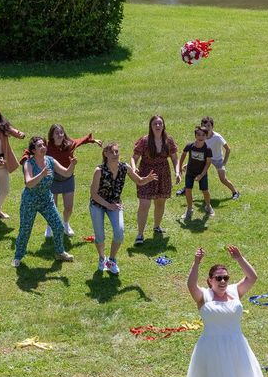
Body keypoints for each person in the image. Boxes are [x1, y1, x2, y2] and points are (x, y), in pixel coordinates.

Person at [184, 245, 268, 377]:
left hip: (237, 346)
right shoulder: (203, 295)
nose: (222, 281)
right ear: (209, 281)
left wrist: (240, 258)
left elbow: (252, 278)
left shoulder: (235, 291)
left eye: (225, 277)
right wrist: (196, 262)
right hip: (211, 347)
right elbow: (190, 285)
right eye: (218, 278)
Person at [89, 142, 157, 274]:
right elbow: (93, 194)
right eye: (112, 152)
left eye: (116, 151)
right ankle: (102, 258)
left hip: (115, 204)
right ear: (105, 154)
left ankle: (112, 260)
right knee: (100, 236)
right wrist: (108, 205)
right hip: (98, 204)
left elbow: (139, 181)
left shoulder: (124, 167)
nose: (115, 154)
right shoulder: (99, 171)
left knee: (119, 233)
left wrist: (147, 179)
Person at [13, 137, 76, 267]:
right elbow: (29, 183)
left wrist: (72, 165)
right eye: (39, 146)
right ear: (33, 150)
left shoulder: (50, 161)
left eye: (43, 145)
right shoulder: (28, 164)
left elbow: (66, 173)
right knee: (25, 230)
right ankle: (18, 256)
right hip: (30, 200)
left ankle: (59, 252)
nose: (43, 147)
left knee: (58, 226)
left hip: (46, 199)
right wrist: (41, 174)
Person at [43, 124, 102, 238]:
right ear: (52, 135)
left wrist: (92, 140)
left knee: (69, 207)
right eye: (57, 133)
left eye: (61, 132)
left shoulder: (69, 144)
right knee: (52, 207)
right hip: (52, 179)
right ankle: (49, 226)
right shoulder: (47, 146)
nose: (60, 135)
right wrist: (25, 158)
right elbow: (31, 149)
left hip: (68, 178)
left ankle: (65, 224)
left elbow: (79, 141)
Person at [130, 115, 179, 245]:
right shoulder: (144, 141)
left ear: (163, 126)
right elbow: (134, 157)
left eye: (160, 124)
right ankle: (140, 234)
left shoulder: (168, 141)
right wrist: (134, 168)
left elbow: (174, 158)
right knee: (144, 205)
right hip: (146, 174)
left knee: (160, 202)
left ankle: (157, 226)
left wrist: (177, 171)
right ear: (150, 126)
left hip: (163, 174)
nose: (157, 126)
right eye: (155, 124)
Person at [177, 116, 240, 199]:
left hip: (217, 159)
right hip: (204, 158)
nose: (206, 128)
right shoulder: (202, 136)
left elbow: (228, 149)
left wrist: (224, 162)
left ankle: (235, 192)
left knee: (223, 179)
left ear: (212, 127)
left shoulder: (217, 137)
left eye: (209, 126)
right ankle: (186, 188)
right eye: (204, 126)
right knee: (190, 170)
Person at [178, 126, 213, 220]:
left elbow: (208, 163)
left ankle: (208, 206)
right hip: (190, 172)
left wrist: (202, 175)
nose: (200, 137)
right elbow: (183, 155)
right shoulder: (190, 146)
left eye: (203, 135)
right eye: (198, 134)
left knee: (205, 191)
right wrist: (180, 167)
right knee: (188, 190)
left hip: (202, 173)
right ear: (195, 135)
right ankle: (189, 209)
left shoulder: (208, 149)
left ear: (206, 136)